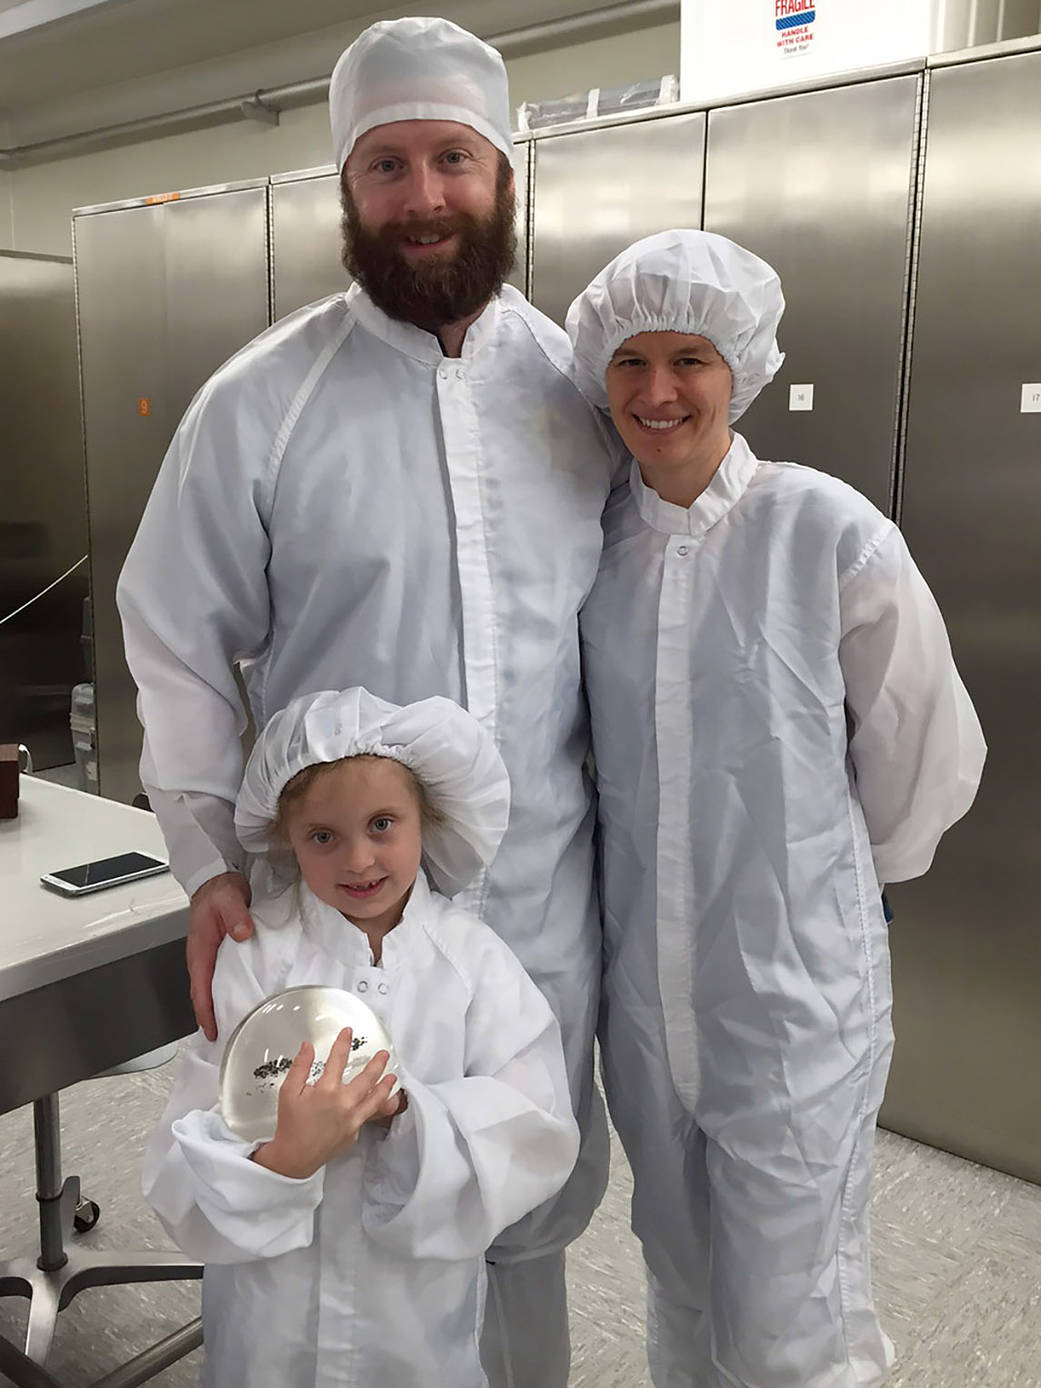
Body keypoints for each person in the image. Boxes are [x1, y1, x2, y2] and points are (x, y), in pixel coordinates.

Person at [118, 17, 615, 1383]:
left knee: (515, 1205)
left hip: (539, 908)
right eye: (385, 165)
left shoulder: (583, 394)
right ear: (346, 189)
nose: (423, 197)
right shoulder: (261, 404)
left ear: (503, 173)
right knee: (316, 1205)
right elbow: (174, 639)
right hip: (322, 911)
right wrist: (211, 858)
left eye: (452, 157)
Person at [567, 229, 987, 1388]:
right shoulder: (596, 545)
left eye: (690, 357)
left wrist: (849, 886)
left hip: (793, 988)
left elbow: (922, 742)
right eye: (631, 361)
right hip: (649, 997)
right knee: (680, 1266)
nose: (658, 391)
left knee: (796, 1301)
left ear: (739, 367)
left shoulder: (824, 528)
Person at [144, 687, 580, 1387]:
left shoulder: (472, 962)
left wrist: (408, 1111)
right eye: (324, 835)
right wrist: (279, 1159)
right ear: (286, 836)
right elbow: (181, 1149)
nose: (357, 860)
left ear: (426, 821)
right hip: (271, 1320)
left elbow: (535, 1128)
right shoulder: (258, 957)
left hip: (412, 1323)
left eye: (382, 824)